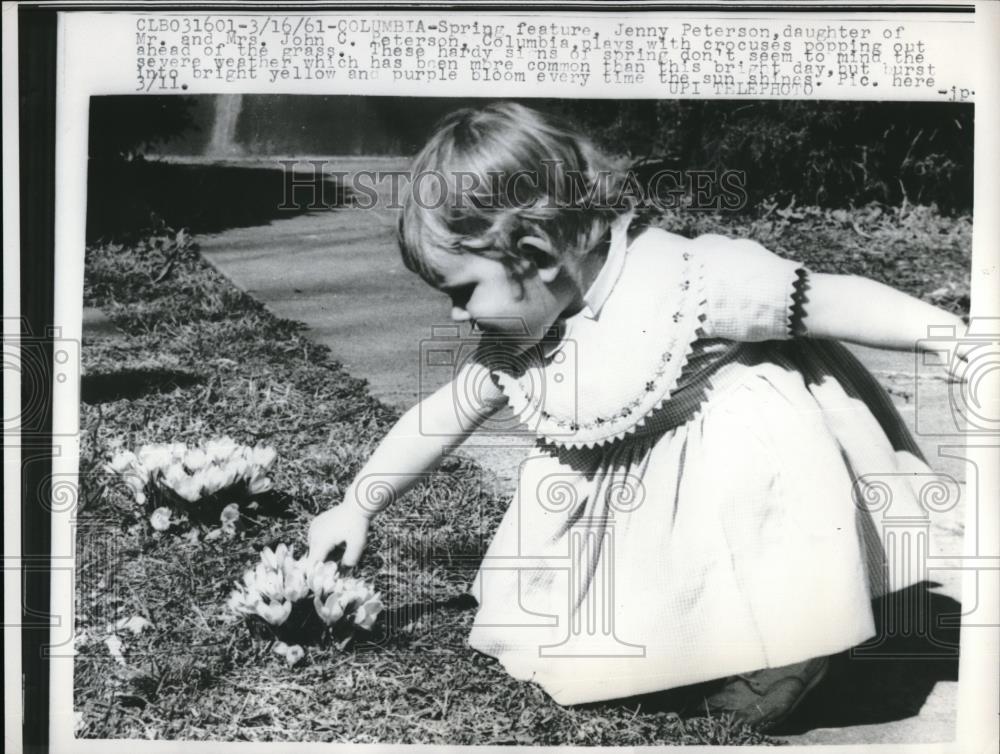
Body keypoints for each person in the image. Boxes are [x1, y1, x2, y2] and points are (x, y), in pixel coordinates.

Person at [308, 102, 968, 729]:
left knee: (763, 542)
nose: (456, 316)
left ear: (535, 254)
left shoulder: (693, 282)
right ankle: (678, 648)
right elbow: (443, 413)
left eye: (462, 292)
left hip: (745, 471)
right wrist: (358, 504)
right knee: (591, 634)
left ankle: (786, 652)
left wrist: (947, 335)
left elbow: (828, 300)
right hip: (646, 499)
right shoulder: (522, 332)